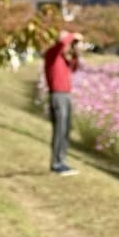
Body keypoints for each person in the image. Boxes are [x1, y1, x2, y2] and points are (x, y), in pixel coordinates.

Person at [43, 29, 83, 175]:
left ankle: (62, 161)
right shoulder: (52, 54)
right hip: (57, 96)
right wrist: (73, 36)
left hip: (66, 95)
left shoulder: (62, 58)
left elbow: (74, 67)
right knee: (59, 129)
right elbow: (61, 43)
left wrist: (75, 53)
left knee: (66, 129)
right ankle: (56, 163)